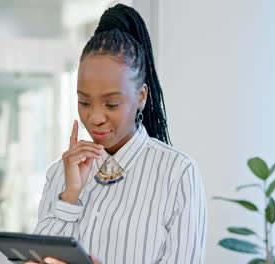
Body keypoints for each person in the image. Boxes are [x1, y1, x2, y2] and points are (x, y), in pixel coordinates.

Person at [27, 4, 207, 264]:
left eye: (111, 104)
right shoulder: (60, 173)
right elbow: (40, 258)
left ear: (141, 97)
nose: (95, 117)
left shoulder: (177, 173)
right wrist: (71, 195)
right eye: (85, 103)